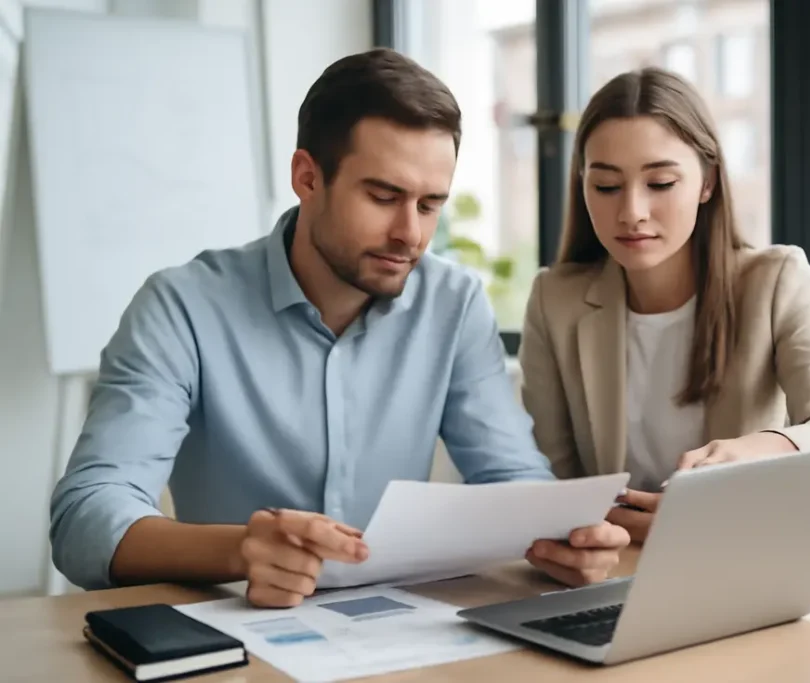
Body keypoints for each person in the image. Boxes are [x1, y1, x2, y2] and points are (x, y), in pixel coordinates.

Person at [49, 48, 628, 606]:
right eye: (383, 196)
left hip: (403, 631)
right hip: (234, 628)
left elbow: (510, 477)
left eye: (430, 205)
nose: (410, 234)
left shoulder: (454, 303)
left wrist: (566, 538)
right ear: (307, 177)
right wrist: (240, 551)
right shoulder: (182, 307)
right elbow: (85, 515)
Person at [518, 67, 810, 544]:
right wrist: (618, 530)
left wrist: (759, 447)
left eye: (661, 183)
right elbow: (550, 480)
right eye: (606, 186)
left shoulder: (777, 282)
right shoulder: (555, 300)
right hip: (609, 563)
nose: (632, 212)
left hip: (731, 554)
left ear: (707, 182)